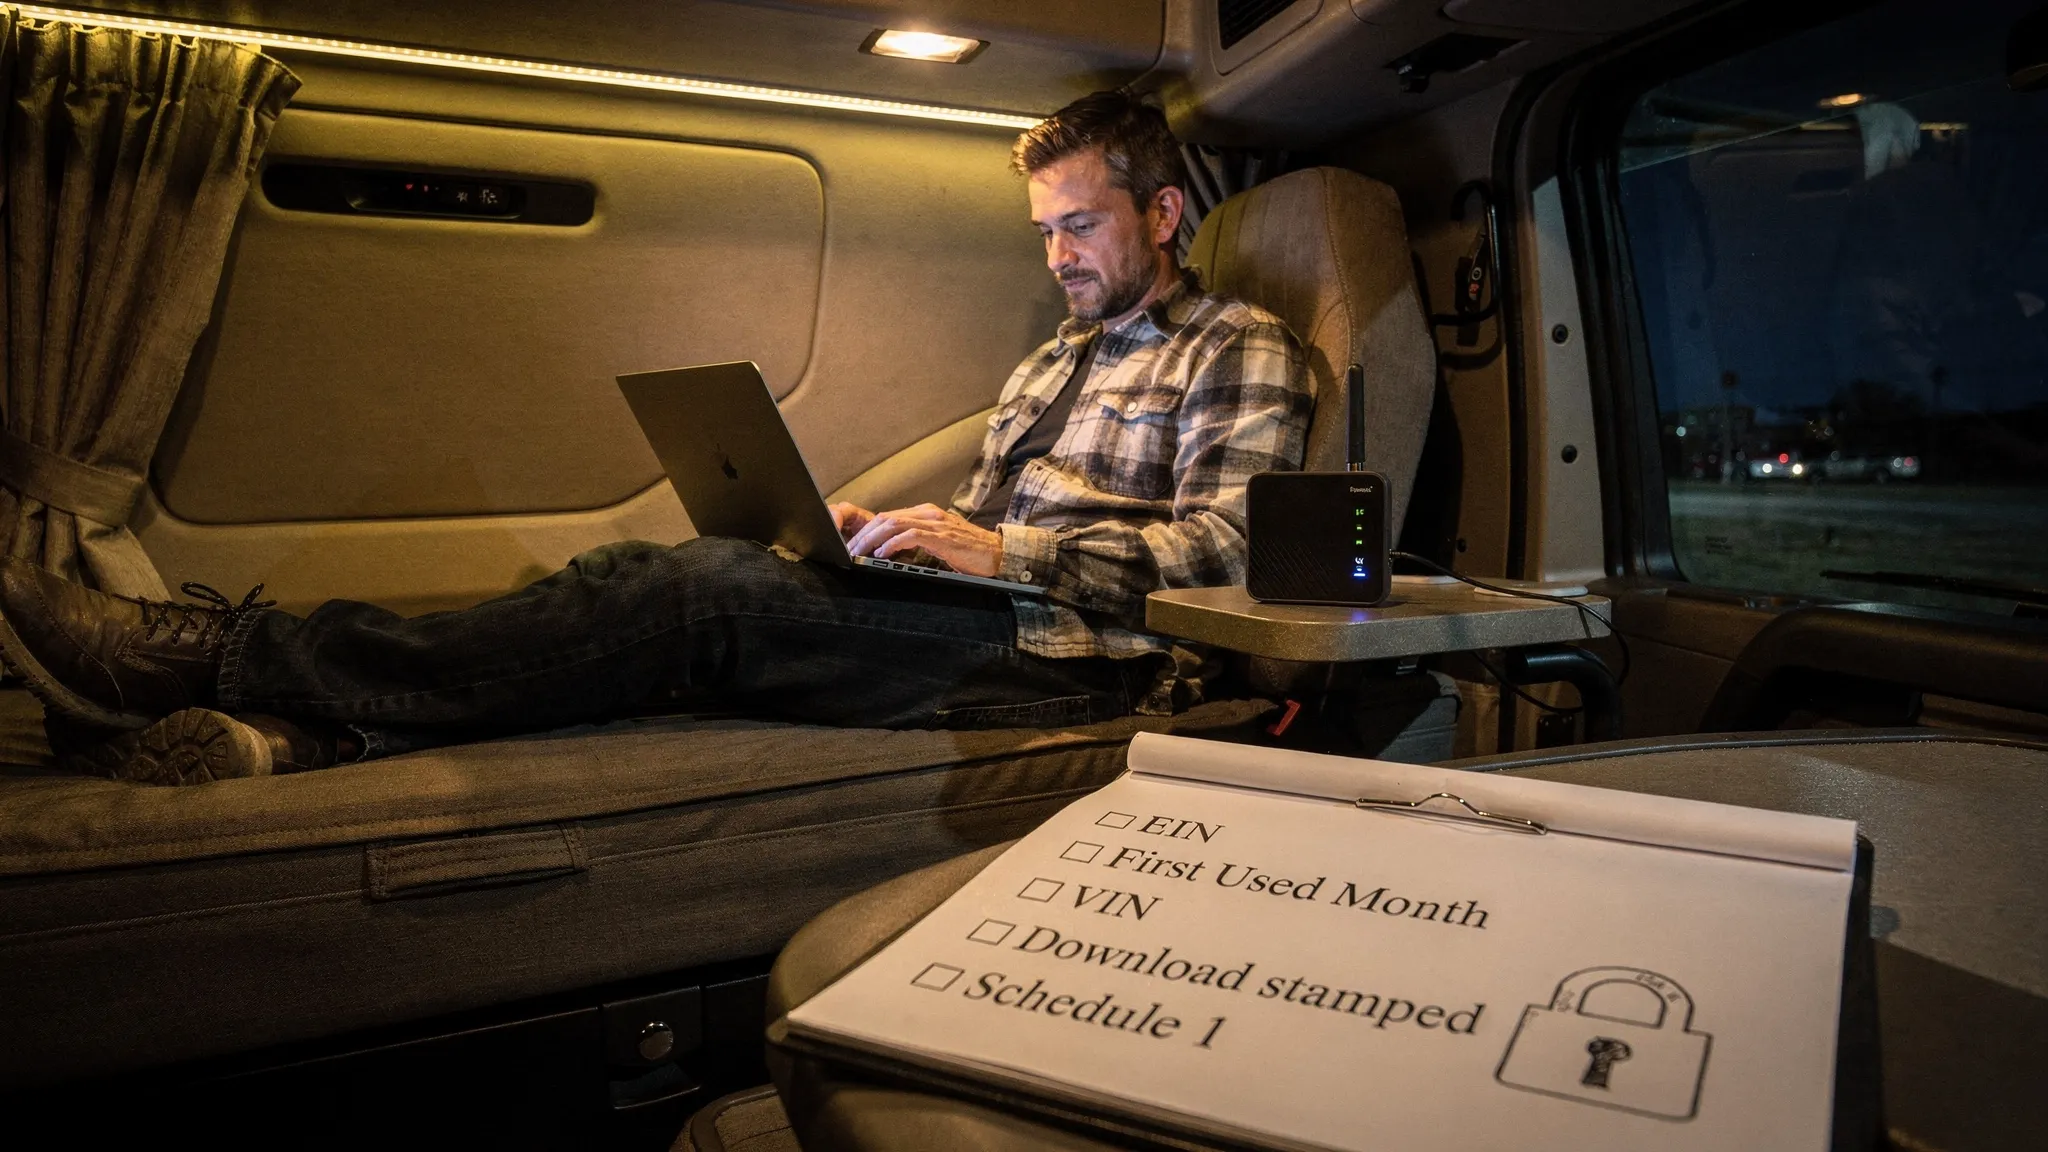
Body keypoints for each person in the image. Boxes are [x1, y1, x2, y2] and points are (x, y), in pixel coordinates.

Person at [0, 91, 1312, 784]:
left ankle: (207, 654)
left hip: (1091, 662)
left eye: (1078, 225)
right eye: (1041, 229)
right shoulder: (1046, 361)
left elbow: (1224, 558)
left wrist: (996, 543)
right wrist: (887, 539)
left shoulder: (1236, 345)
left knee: (687, 603)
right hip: (995, 616)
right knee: (635, 585)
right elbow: (976, 542)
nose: (1057, 254)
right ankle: (324, 734)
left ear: (1160, 215)